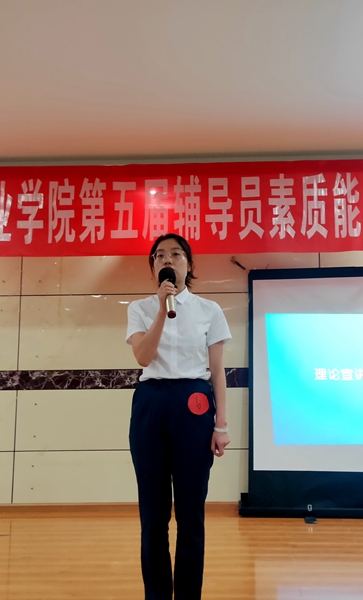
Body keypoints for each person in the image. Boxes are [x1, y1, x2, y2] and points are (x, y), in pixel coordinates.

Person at [126, 232, 231, 600]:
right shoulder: (139, 308)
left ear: (189, 264)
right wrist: (161, 309)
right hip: (151, 405)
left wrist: (221, 425)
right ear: (153, 267)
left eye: (175, 254)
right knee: (153, 515)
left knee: (190, 513)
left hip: (194, 406)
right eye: (159, 256)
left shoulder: (209, 310)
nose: (167, 260)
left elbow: (217, 371)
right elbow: (143, 357)